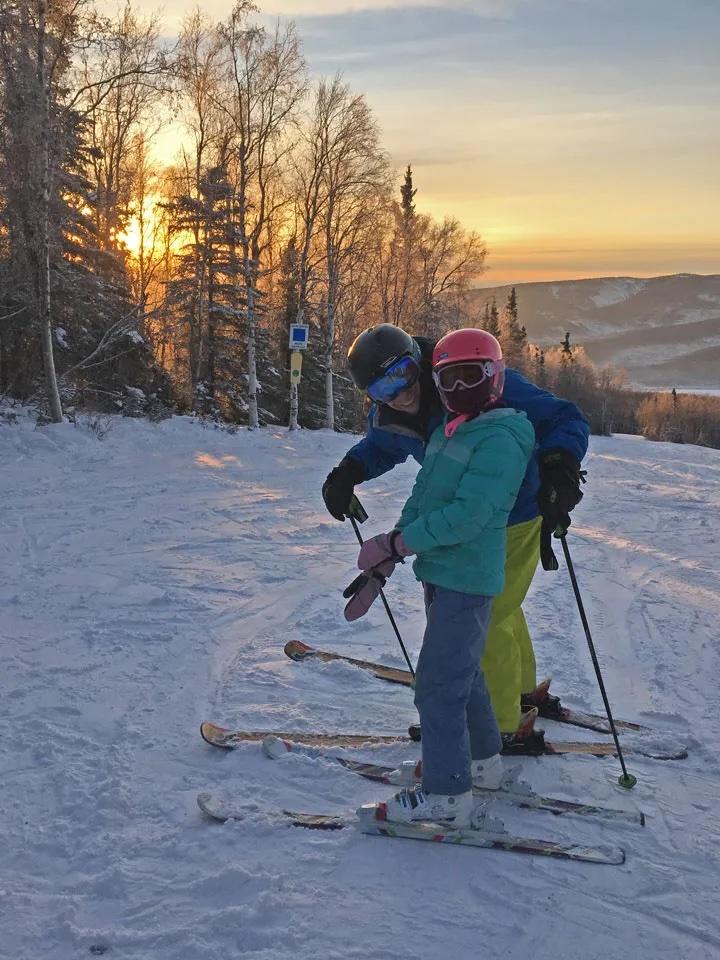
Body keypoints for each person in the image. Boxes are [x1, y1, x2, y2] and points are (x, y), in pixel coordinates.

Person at [323, 323, 589, 747]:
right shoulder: (390, 413)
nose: (400, 393)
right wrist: (348, 472)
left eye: (404, 374)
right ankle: (520, 692)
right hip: (466, 517)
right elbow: (381, 446)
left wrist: (560, 464)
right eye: (383, 387)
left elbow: (563, 416)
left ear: (419, 361)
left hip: (518, 510)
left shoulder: (467, 375)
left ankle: (500, 726)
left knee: (486, 616)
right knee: (501, 606)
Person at [343, 329, 535, 825]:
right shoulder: (454, 430)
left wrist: (398, 544)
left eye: (471, 376)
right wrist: (390, 551)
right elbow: (424, 497)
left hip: (467, 577)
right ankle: (481, 765)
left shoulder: (499, 437)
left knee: (436, 687)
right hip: (445, 575)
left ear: (494, 377)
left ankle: (447, 795)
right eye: (448, 379)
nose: (458, 388)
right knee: (465, 675)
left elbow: (468, 517)